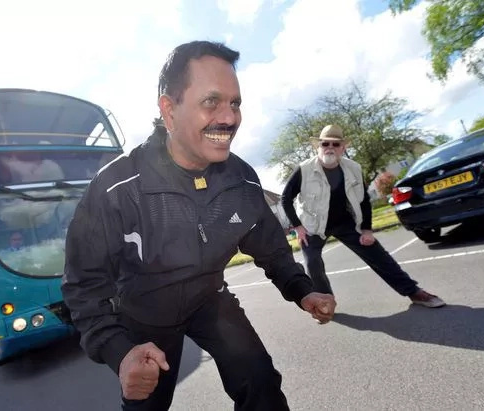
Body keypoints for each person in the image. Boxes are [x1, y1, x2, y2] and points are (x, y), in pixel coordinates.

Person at [61, 41, 337, 411]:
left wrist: (303, 290)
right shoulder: (115, 188)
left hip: (210, 301)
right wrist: (119, 351)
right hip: (144, 317)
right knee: (145, 404)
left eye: (235, 103)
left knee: (261, 384)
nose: (229, 118)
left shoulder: (242, 180)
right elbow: (84, 284)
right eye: (212, 102)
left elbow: (271, 249)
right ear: (169, 110)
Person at [280, 124, 446, 309]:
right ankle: (325, 304)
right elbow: (286, 198)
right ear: (318, 147)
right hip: (313, 225)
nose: (330, 148)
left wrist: (366, 229)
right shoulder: (303, 170)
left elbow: (364, 200)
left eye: (336, 144)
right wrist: (298, 227)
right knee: (313, 263)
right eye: (325, 143)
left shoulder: (353, 168)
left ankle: (414, 292)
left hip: (344, 221)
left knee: (377, 253)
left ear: (343, 148)